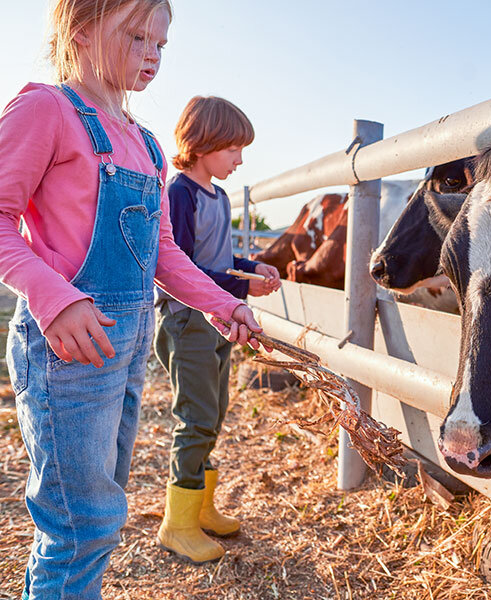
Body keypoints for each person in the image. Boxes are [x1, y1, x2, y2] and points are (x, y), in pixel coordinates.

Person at [0, 1, 266, 597]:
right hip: (67, 346)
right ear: (81, 31)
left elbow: (165, 254)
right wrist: (55, 298)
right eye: (137, 36)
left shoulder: (145, 143)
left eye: (161, 44)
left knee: (101, 510)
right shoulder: (46, 110)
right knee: (79, 525)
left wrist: (221, 303)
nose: (152, 54)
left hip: (128, 345)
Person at [153, 96, 280, 563]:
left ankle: (201, 508)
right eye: (232, 149)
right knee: (197, 415)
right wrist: (233, 285)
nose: (240, 159)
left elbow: (219, 261)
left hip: (221, 320)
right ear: (203, 144)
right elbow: (180, 266)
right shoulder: (179, 194)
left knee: (216, 411)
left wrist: (252, 269)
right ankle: (178, 523)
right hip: (189, 319)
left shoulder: (218, 196)